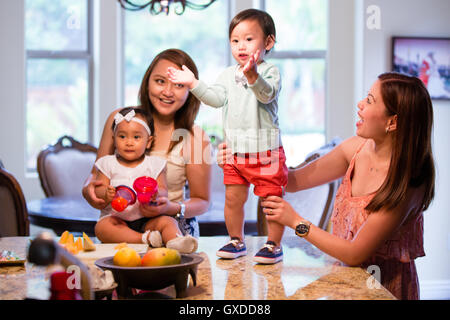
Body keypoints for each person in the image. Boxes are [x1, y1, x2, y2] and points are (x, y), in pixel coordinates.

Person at [241, 72, 434, 300]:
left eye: (370, 101)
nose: (360, 104)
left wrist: (296, 222)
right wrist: (247, 156)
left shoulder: (406, 183)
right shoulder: (355, 149)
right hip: (345, 282)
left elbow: (354, 254)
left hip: (383, 289)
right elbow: (292, 181)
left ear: (392, 122)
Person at [168, 9, 288, 264]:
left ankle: (273, 244)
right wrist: (193, 83)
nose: (240, 45)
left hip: (266, 151)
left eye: (248, 39)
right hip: (234, 153)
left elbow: (266, 94)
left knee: (271, 201)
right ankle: (236, 240)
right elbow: (215, 98)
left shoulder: (270, 72)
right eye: (235, 40)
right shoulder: (226, 75)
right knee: (234, 199)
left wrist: (252, 74)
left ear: (268, 42)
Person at [82, 49, 211, 244]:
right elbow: (96, 173)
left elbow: (202, 202)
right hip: (121, 226)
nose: (167, 92)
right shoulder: (122, 120)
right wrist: (89, 189)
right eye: (160, 81)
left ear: (190, 90)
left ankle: (165, 240)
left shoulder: (195, 137)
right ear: (147, 82)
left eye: (178, 85)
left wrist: (170, 207)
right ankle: (145, 239)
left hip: (171, 225)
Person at [93, 107, 197, 253]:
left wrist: (156, 194)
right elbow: (97, 187)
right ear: (114, 139)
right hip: (117, 219)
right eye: (122, 136)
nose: (129, 142)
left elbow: (163, 191)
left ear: (148, 142)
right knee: (102, 227)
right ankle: (144, 239)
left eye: (136, 137)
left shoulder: (155, 164)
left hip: (147, 218)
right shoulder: (107, 163)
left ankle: (177, 241)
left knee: (168, 222)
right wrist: (105, 192)